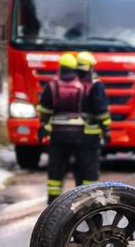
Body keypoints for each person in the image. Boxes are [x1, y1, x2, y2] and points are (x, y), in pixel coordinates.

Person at [37, 51, 109, 204]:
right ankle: (88, 203)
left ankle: (53, 203)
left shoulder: (55, 84)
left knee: (56, 171)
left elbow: (45, 110)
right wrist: (106, 129)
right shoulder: (90, 84)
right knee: (86, 170)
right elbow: (100, 110)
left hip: (58, 135)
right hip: (85, 136)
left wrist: (43, 125)